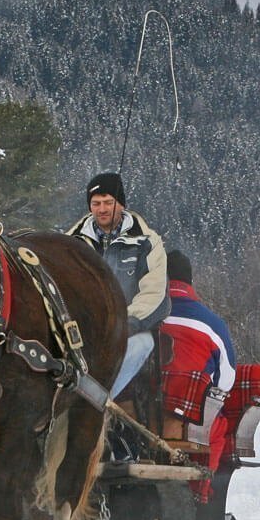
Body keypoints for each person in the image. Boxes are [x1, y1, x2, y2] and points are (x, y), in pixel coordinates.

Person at [67, 171, 168, 399]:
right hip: (80, 330)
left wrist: (123, 323)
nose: (102, 209)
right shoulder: (71, 243)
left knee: (144, 343)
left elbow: (154, 293)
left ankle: (97, 401)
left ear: (120, 204)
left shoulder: (147, 242)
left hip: (127, 331)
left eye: (108, 202)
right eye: (96, 203)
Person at [161, 250, 236, 448]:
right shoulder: (213, 324)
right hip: (189, 417)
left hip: (140, 413)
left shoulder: (141, 318)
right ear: (189, 281)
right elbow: (226, 381)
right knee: (219, 432)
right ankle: (204, 479)